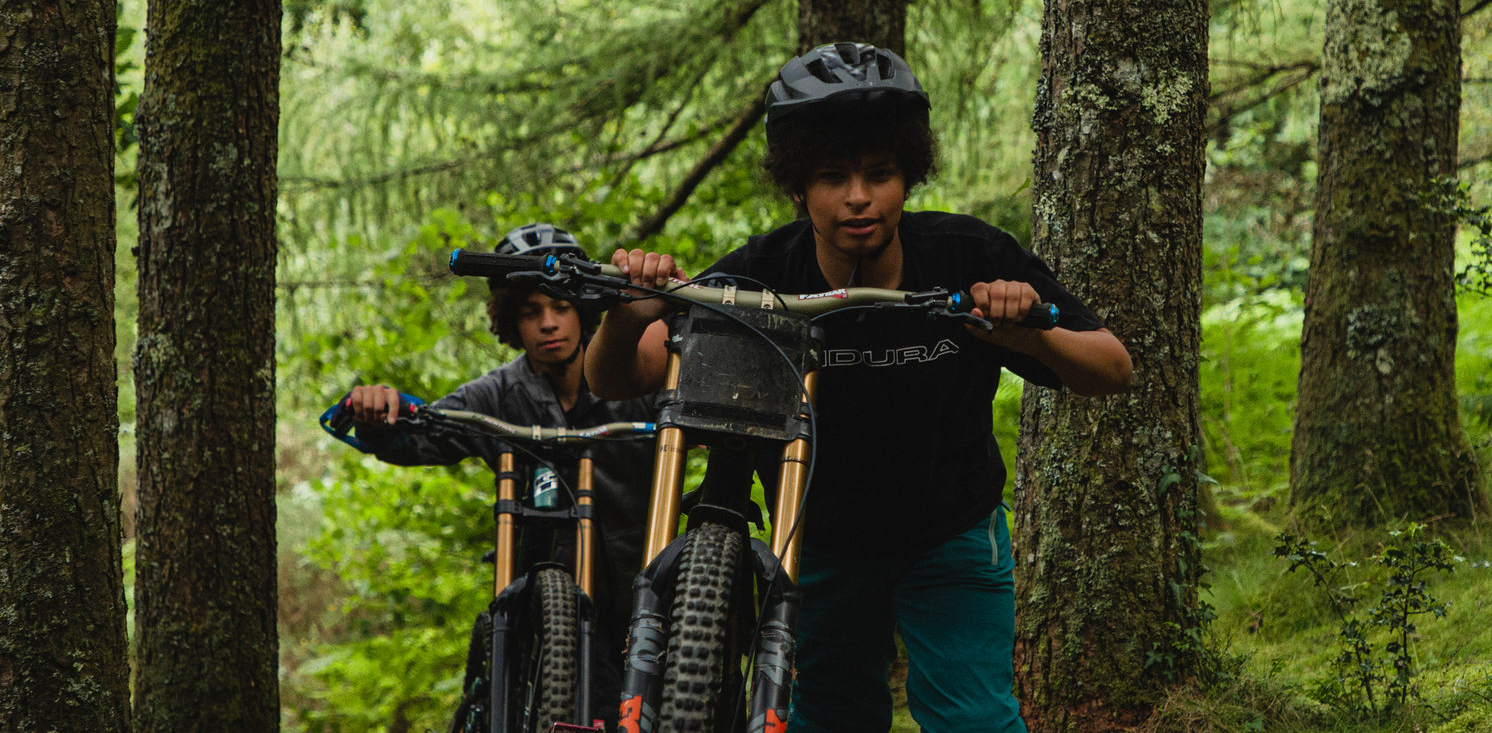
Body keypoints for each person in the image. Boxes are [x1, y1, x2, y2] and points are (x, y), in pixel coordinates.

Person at [585, 43, 1133, 733]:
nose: (858, 197)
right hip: (818, 545)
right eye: (831, 176)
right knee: (829, 720)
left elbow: (1113, 367)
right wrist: (625, 315)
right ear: (798, 186)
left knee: (976, 721)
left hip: (952, 537)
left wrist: (1027, 336)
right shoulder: (761, 276)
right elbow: (616, 377)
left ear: (908, 176)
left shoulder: (968, 257)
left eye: (880, 174)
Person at [339, 222, 657, 731]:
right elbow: (421, 435)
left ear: (583, 311)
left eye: (561, 307)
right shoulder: (498, 394)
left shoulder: (634, 378)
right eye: (531, 312)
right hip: (543, 618)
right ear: (512, 321)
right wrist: (377, 414)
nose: (548, 324)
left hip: (639, 598)